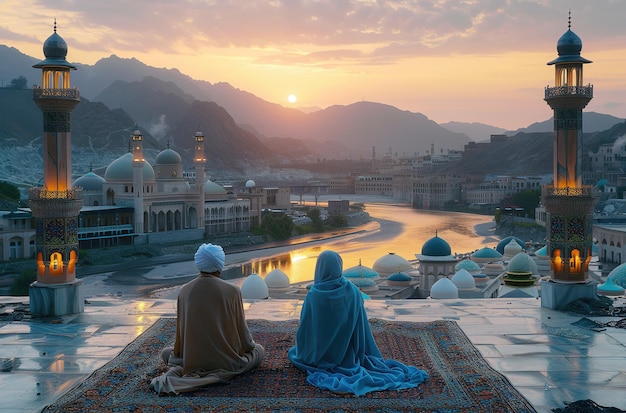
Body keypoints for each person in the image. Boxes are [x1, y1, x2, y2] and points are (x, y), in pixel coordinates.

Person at [288, 250, 428, 396]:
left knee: (294, 353)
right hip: (348, 353)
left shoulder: (315, 295)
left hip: (317, 354)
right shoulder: (353, 291)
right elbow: (360, 328)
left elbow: (305, 331)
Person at [150, 243, 264, 394]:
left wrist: (186, 355)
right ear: (219, 265)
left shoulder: (185, 291)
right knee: (259, 350)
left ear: (199, 264)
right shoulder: (233, 291)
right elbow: (245, 339)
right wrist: (250, 348)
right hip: (227, 363)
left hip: (193, 361)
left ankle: (186, 368)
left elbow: (179, 341)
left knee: (166, 353)